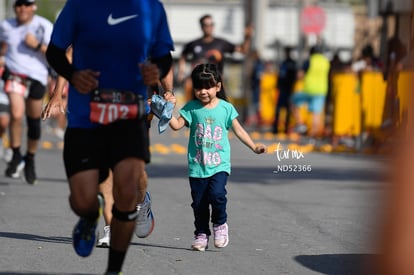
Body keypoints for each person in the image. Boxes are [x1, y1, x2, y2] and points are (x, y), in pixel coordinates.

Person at [45, 0, 174, 274]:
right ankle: (90, 216)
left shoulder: (151, 8)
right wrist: (72, 76)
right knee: (82, 200)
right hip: (86, 116)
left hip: (130, 114)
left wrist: (159, 73)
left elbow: (164, 57)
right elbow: (55, 52)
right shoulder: (80, 6)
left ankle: (113, 269)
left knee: (126, 192)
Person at [169, 63, 267, 251]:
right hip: (197, 166)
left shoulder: (226, 108)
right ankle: (201, 234)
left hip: (219, 165)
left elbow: (239, 130)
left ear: (218, 87)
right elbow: (175, 125)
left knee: (217, 195)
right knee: (199, 204)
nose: (203, 91)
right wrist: (165, 111)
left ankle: (220, 224)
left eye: (208, 87)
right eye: (198, 87)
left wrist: (254, 146)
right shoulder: (191, 108)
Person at [0, 0, 53, 184]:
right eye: (18, 5)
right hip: (15, 75)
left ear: (33, 7)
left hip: (37, 77)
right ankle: (15, 153)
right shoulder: (6, 26)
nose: (22, 8)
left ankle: (29, 159)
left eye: (26, 4)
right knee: (16, 113)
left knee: (33, 122)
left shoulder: (43, 26)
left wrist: (37, 46)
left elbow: (56, 54)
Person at [177, 14, 252, 101]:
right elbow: (183, 55)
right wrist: (181, 72)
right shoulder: (194, 44)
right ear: (201, 27)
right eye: (206, 25)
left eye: (211, 24)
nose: (209, 27)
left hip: (216, 79)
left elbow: (243, 50)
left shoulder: (221, 43)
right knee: (188, 84)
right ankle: (189, 109)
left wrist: (247, 37)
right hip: (198, 80)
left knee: (222, 100)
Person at [291, 46, 330, 140]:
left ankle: (300, 124)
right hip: (321, 91)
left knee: (293, 101)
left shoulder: (309, 61)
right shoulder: (326, 62)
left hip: (309, 90)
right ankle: (313, 137)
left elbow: (300, 74)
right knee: (316, 114)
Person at [272, 46, 297, 134]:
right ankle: (276, 128)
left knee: (286, 109)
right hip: (283, 89)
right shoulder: (284, 63)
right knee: (279, 109)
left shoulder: (291, 64)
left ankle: (284, 128)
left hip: (287, 89)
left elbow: (292, 77)